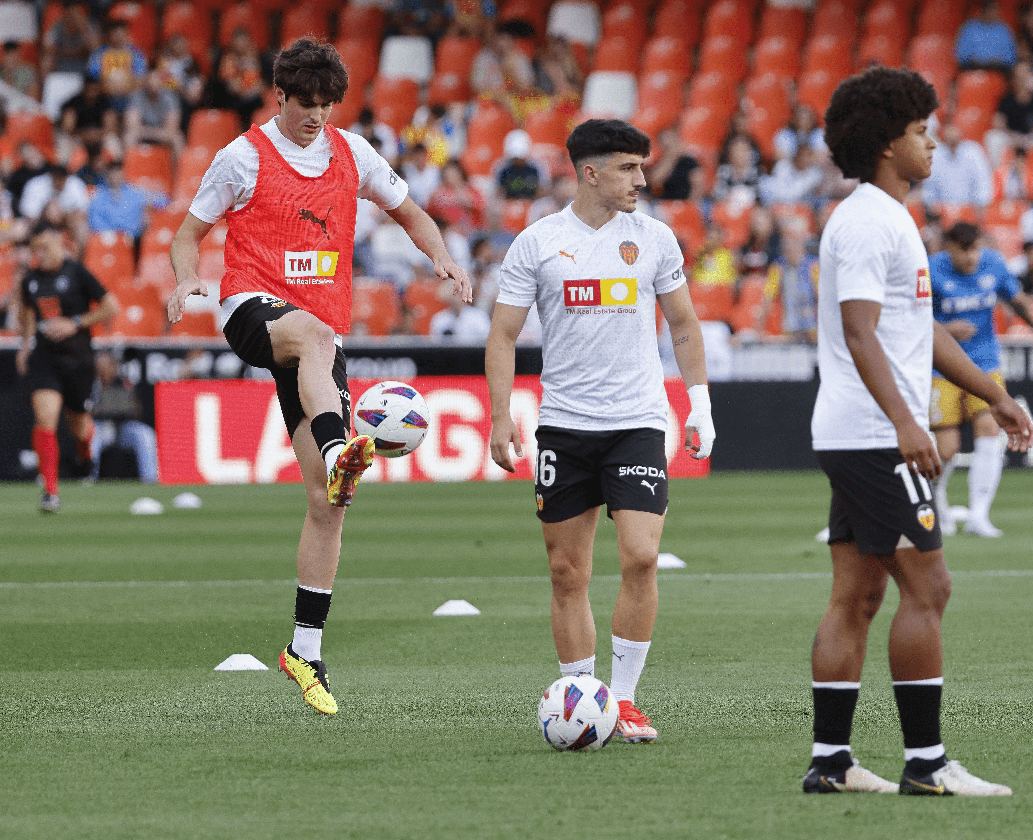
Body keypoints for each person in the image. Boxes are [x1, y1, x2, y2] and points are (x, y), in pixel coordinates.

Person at [165, 38, 471, 716]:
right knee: (313, 337)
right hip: (253, 310)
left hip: (316, 347)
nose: (317, 118)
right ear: (280, 96)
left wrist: (443, 257)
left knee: (329, 503)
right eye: (306, 106)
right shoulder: (241, 157)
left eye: (327, 106)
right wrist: (188, 278)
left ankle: (305, 649)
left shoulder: (354, 153)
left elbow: (411, 212)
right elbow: (187, 233)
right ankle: (340, 448)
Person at [805, 66, 1033, 797]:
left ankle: (832, 763)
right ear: (885, 145)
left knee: (856, 596)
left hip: (857, 431)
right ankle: (927, 766)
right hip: (876, 435)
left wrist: (992, 394)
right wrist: (909, 423)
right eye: (919, 132)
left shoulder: (886, 218)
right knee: (928, 588)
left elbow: (916, 330)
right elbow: (861, 332)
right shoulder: (872, 220)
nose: (932, 143)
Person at [486, 118, 716, 744]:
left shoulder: (655, 239)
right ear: (590, 173)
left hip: (636, 422)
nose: (642, 179)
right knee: (568, 572)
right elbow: (503, 334)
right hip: (564, 427)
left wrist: (700, 406)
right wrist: (501, 415)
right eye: (629, 168)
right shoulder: (537, 243)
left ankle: (626, 699)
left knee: (641, 556)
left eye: (643, 168)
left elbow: (686, 328)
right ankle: (579, 696)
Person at [928, 221, 1033, 539]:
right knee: (946, 448)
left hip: (984, 364)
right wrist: (945, 329)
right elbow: (911, 315)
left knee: (989, 430)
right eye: (964, 250)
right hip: (940, 367)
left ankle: (979, 516)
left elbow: (1017, 301)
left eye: (975, 249)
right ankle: (937, 503)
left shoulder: (995, 265)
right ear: (949, 248)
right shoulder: (931, 270)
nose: (971, 257)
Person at [15, 221, 119, 513]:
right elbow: (26, 313)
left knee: (79, 426)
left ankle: (86, 457)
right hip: (45, 359)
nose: (41, 253)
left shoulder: (77, 272)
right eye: (37, 248)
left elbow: (111, 307)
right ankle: (50, 491)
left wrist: (74, 323)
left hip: (78, 361)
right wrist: (25, 345)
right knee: (45, 416)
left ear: (60, 244)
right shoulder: (30, 280)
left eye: (46, 247)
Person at [90, 350, 158, 482]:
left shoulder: (124, 382)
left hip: (123, 427)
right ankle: (89, 477)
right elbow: (88, 412)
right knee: (92, 436)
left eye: (109, 365)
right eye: (101, 366)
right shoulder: (91, 383)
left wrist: (117, 405)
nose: (105, 370)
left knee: (145, 434)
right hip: (101, 428)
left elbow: (136, 410)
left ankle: (150, 481)